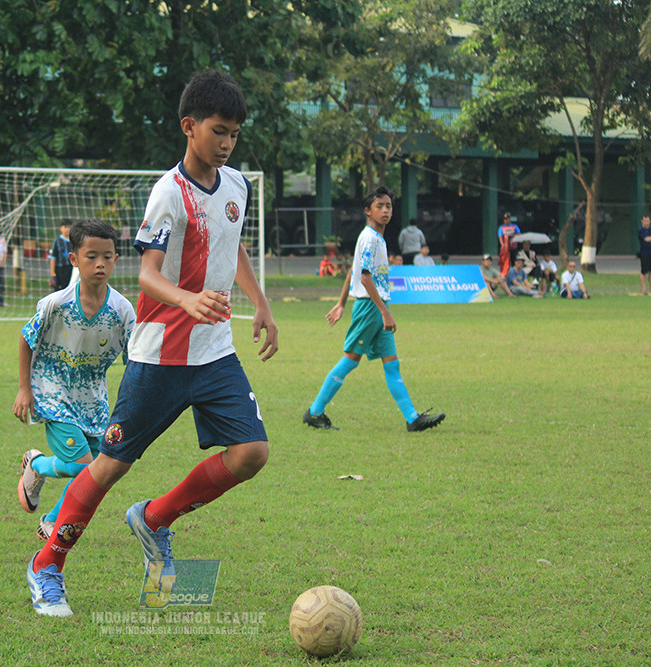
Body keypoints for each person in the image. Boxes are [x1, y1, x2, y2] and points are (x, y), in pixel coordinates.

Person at [25, 69, 278, 617]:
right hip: (159, 355)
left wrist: (260, 303)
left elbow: (233, 248)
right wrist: (186, 299)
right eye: (218, 130)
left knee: (252, 452)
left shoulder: (236, 185)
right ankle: (47, 564)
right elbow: (147, 273)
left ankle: (155, 518)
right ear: (190, 127)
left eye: (235, 132)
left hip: (215, 352)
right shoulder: (169, 192)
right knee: (110, 465)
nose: (228, 142)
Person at [15, 219, 135, 542]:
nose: (100, 264)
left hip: (94, 400)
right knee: (85, 467)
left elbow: (135, 363)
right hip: (52, 390)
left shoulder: (123, 312)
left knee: (100, 473)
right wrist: (25, 389)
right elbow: (27, 339)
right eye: (91, 256)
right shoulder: (55, 304)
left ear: (116, 259)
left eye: (107, 256)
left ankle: (39, 471)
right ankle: (43, 481)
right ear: (73, 259)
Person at [303, 186, 444, 434]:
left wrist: (342, 302)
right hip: (371, 307)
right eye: (379, 206)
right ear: (368, 211)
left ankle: (412, 419)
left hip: (378, 306)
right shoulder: (369, 238)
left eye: (388, 206)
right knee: (350, 360)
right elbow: (365, 278)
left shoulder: (377, 238)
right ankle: (314, 412)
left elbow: (354, 271)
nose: (385, 210)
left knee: (392, 364)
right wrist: (384, 312)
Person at [48, 220, 73, 290]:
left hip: (72, 268)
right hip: (60, 269)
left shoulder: (74, 241)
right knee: (60, 290)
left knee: (70, 289)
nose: (68, 229)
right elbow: (53, 258)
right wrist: (52, 274)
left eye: (69, 227)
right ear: (61, 228)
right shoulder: (57, 241)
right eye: (65, 227)